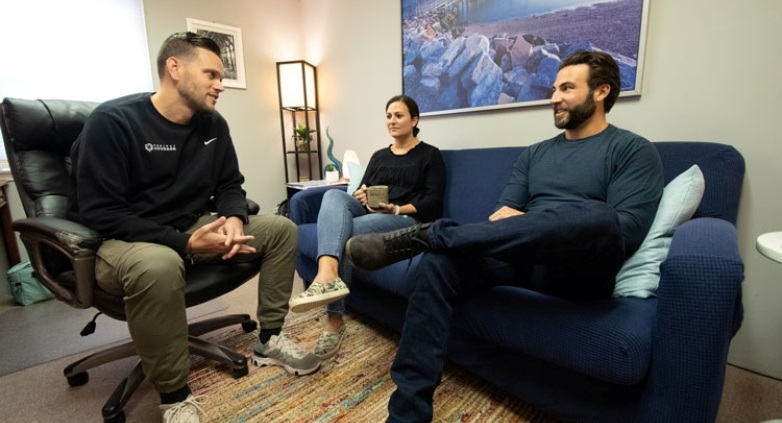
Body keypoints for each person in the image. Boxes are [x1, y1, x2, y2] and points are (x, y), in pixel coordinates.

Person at [345, 51, 665, 421]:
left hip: (578, 268)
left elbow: (624, 231)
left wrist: (542, 220)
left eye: (566, 88)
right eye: (554, 87)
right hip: (521, 254)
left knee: (598, 214)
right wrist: (526, 224)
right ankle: (407, 414)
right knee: (437, 264)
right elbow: (502, 217)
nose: (554, 97)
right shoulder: (535, 154)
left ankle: (431, 232)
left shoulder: (632, 150)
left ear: (601, 91)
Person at [67, 32, 320, 423]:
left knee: (281, 228)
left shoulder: (213, 124)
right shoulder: (113, 123)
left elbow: (229, 185)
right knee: (159, 265)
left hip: (189, 226)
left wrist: (234, 218)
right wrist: (186, 244)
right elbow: (101, 213)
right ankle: (174, 396)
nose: (221, 85)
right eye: (212, 74)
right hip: (123, 239)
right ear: (175, 68)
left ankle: (269, 339)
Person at [288, 95, 446, 359]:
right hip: (369, 212)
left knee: (344, 232)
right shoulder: (380, 155)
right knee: (333, 196)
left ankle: (334, 321)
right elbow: (366, 186)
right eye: (388, 116)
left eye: (398, 115)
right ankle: (327, 274)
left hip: (404, 218)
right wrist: (362, 193)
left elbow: (432, 201)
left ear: (414, 120)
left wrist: (395, 208)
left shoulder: (430, 155)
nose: (392, 121)